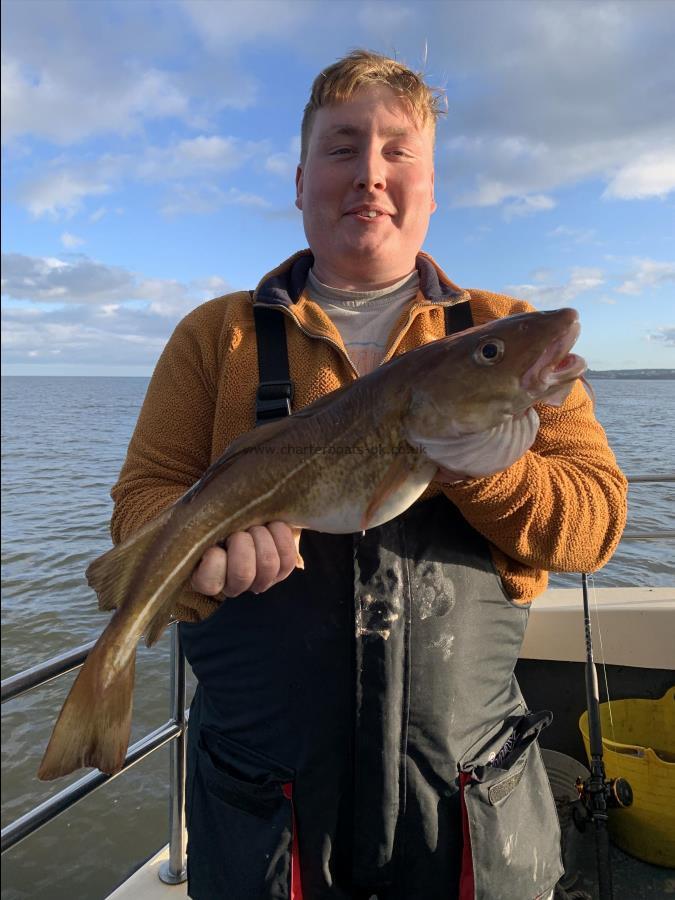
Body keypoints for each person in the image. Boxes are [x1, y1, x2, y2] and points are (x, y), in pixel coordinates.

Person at [110, 50, 627, 900]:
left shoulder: (502, 330)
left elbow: (595, 525)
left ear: (431, 186)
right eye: (344, 147)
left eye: (398, 152)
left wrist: (484, 469)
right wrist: (202, 563)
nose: (370, 174)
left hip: (466, 799)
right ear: (302, 176)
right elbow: (144, 501)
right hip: (267, 808)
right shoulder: (215, 336)